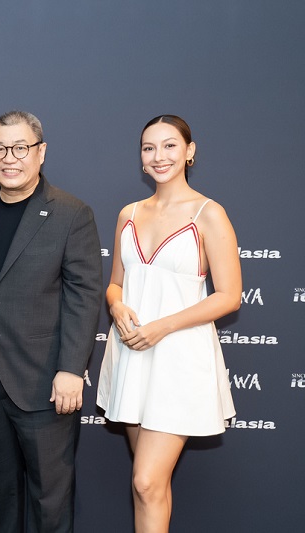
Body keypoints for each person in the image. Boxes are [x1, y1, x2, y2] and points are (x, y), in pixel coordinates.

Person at [0, 110, 103, 532]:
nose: (9, 158)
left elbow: (84, 297)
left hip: (45, 383)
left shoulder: (71, 213)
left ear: (40, 152)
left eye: (20, 148)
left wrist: (72, 369)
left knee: (50, 500)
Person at [96, 115, 240, 532]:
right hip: (131, 353)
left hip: (178, 357)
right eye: (149, 148)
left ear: (189, 152)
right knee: (150, 487)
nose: (159, 156)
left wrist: (162, 327)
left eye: (170, 145)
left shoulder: (208, 213)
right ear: (141, 157)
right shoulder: (128, 213)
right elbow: (115, 284)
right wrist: (117, 307)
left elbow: (229, 296)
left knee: (145, 481)